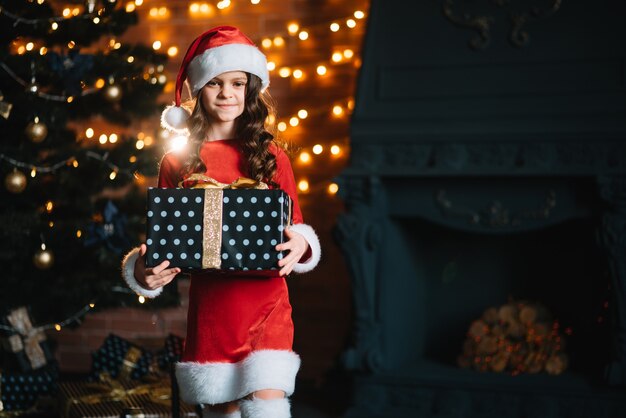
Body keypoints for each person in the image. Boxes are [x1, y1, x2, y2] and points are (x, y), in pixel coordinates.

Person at [121, 26, 321, 418]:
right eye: (214, 83)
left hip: (267, 308)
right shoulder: (177, 161)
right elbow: (160, 245)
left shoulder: (273, 157)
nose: (227, 93)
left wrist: (301, 244)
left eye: (237, 83)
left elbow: (297, 226)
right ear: (198, 90)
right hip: (213, 314)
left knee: (267, 407)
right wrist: (143, 272)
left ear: (250, 88)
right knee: (220, 410)